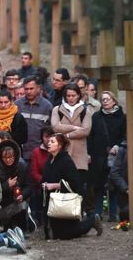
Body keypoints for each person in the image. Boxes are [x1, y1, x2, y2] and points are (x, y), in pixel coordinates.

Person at [41, 133, 102, 239]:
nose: (48, 143)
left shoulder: (66, 161)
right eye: (48, 141)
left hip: (64, 200)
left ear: (60, 145)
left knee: (66, 234)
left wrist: (54, 186)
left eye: (52, 142)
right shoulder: (50, 160)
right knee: (55, 234)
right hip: (53, 201)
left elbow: (75, 183)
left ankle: (92, 221)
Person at [50, 83, 92, 213]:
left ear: (78, 95)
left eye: (73, 95)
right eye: (68, 95)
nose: (71, 98)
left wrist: (66, 135)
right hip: (62, 154)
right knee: (62, 187)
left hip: (79, 156)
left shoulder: (86, 111)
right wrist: (74, 128)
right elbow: (55, 126)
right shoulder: (57, 109)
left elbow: (85, 131)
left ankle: (80, 213)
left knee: (78, 187)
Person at [87, 90, 126, 221]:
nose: (105, 101)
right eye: (103, 99)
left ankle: (113, 213)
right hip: (98, 155)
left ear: (114, 100)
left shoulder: (122, 117)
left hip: (116, 155)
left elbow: (125, 135)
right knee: (98, 185)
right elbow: (91, 137)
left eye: (107, 99)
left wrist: (118, 146)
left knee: (114, 184)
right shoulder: (96, 117)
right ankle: (98, 213)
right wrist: (89, 153)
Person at [0, 140, 31, 232]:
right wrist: (7, 185)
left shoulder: (22, 166)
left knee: (22, 206)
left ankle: (23, 229)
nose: (8, 160)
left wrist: (22, 195)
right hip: (2, 204)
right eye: (5, 158)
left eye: (11, 157)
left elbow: (29, 186)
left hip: (18, 201)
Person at [15, 76, 53, 163]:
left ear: (38, 88)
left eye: (31, 88)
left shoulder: (47, 106)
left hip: (41, 152)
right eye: (26, 89)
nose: (28, 91)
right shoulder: (17, 105)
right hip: (20, 152)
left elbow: (50, 130)